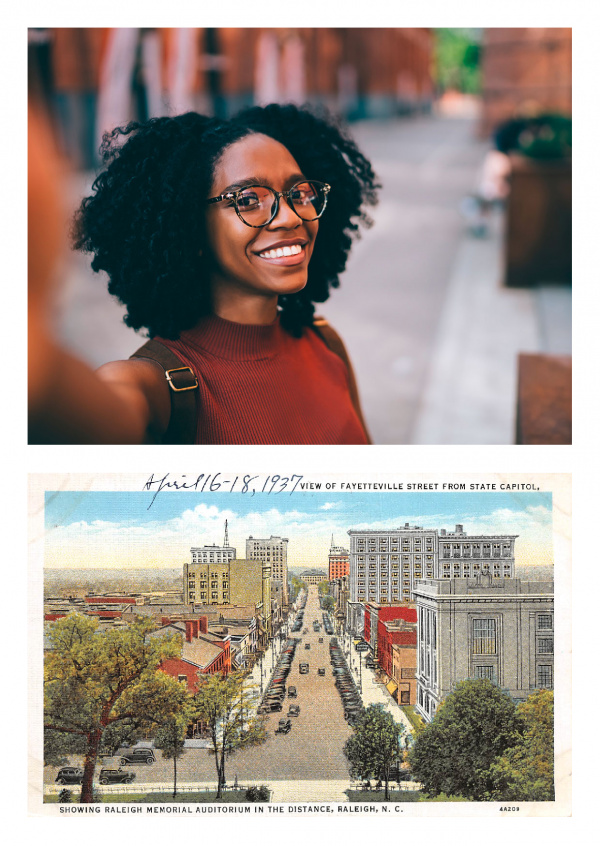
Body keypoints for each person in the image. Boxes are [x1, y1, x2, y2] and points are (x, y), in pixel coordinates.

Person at [34, 103, 379, 444]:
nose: (290, 217)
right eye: (247, 200)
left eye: (300, 193)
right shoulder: (155, 389)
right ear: (191, 228)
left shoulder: (326, 344)